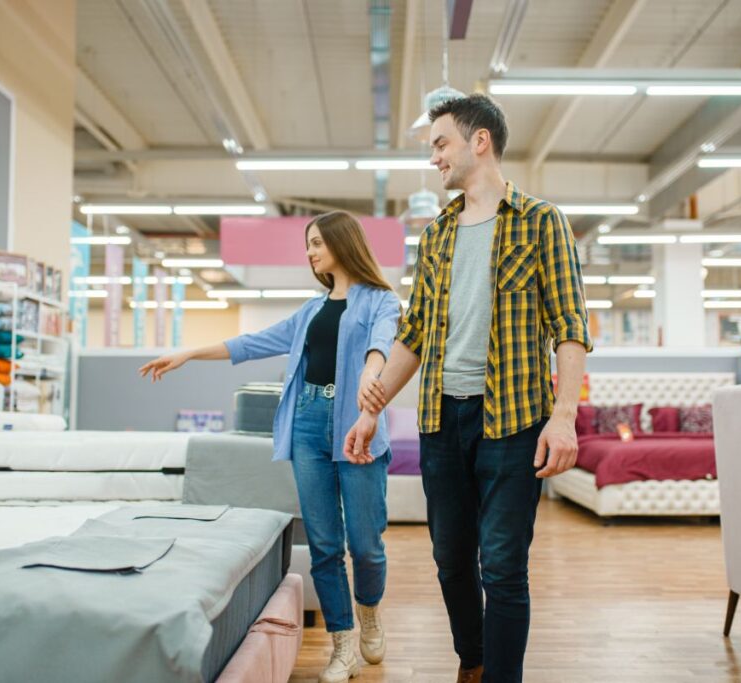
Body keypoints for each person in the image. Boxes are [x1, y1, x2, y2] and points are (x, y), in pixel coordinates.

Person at [345, 93, 592, 683]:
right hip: (441, 420)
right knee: (451, 561)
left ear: (479, 141)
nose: (434, 157)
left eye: (440, 143)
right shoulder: (436, 237)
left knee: (503, 566)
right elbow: (414, 334)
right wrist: (371, 408)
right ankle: (473, 662)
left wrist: (563, 418)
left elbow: (569, 326)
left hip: (512, 422)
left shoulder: (541, 221)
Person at [140, 211, 401, 683]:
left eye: (318, 242)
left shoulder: (381, 301)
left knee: (365, 545)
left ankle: (370, 613)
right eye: (309, 244)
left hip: (356, 429)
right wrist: (189, 353)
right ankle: (342, 647)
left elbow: (382, 344)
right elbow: (253, 343)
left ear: (343, 243)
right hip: (307, 425)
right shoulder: (310, 311)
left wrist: (370, 372)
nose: (311, 252)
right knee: (323, 544)